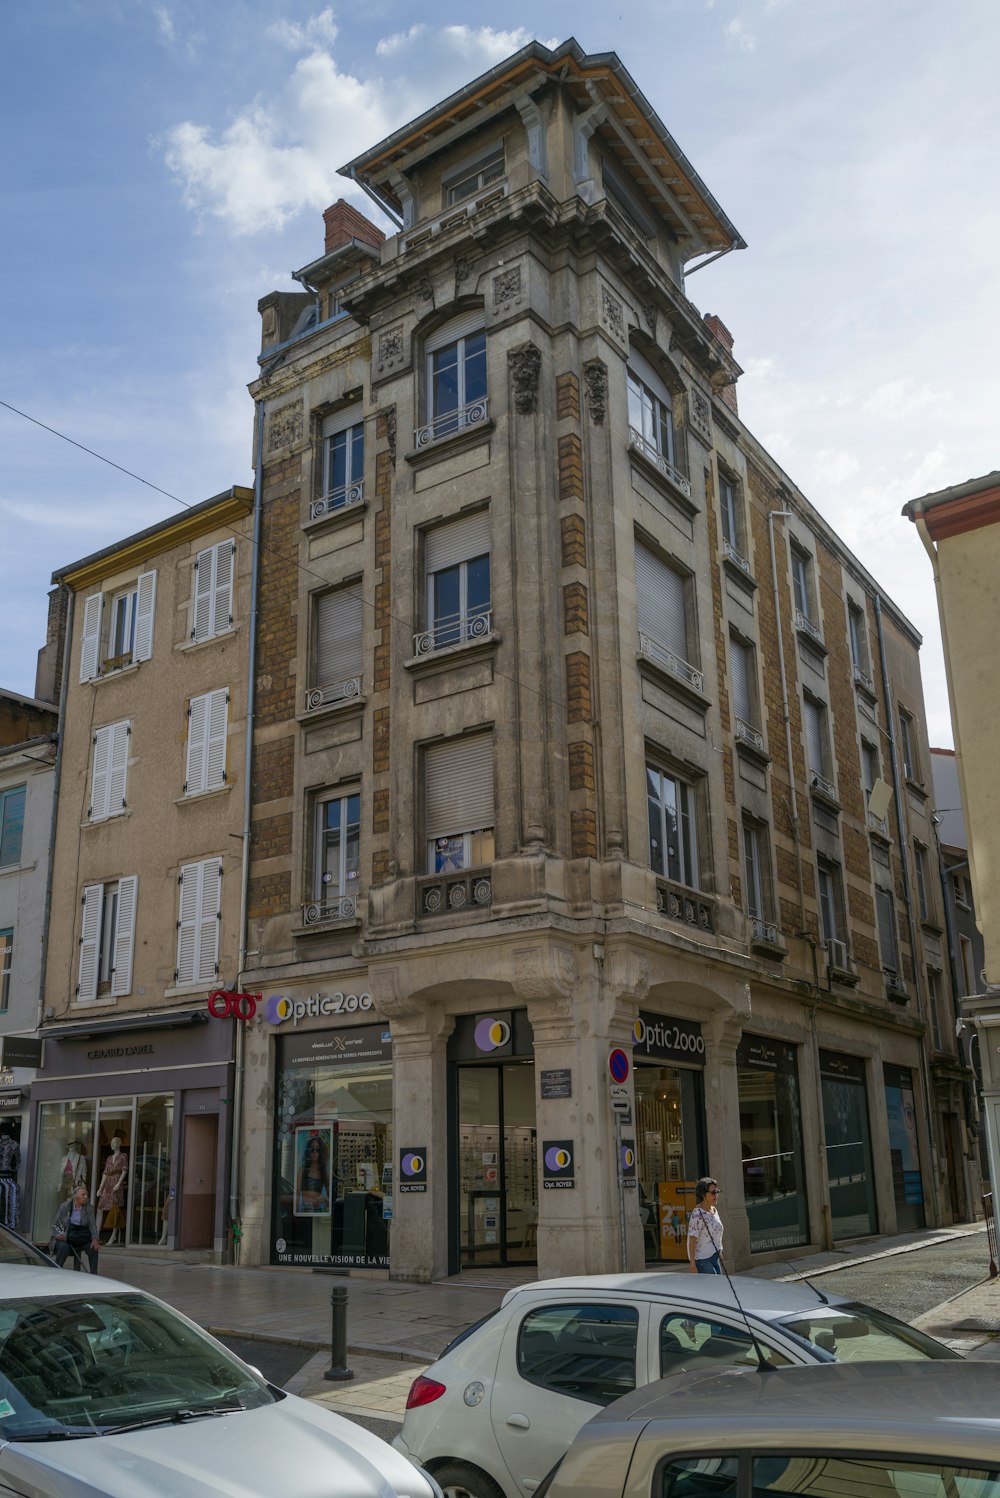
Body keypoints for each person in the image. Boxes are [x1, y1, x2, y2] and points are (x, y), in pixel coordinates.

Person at [52, 1185, 100, 1273]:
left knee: (93, 1248)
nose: (86, 1197)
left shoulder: (89, 1208)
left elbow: (92, 1225)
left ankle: (94, 1275)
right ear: (75, 1197)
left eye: (87, 1195)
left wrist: (94, 1239)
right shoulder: (65, 1206)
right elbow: (55, 1223)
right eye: (83, 1194)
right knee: (63, 1247)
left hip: (81, 1237)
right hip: (66, 1237)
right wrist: (58, 1235)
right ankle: (56, 1271)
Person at [687, 1176, 724, 1274]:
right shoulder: (697, 1214)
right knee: (713, 1287)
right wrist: (692, 1265)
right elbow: (692, 1240)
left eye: (717, 1192)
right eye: (713, 1193)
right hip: (703, 1259)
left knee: (717, 1286)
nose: (716, 1195)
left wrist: (719, 1250)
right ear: (703, 1195)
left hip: (715, 1256)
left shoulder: (714, 1210)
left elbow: (717, 1233)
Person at [96, 1136, 128, 1244]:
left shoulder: (123, 1156)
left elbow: (124, 1170)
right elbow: (105, 1172)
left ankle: (113, 1235)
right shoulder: (109, 1158)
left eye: (114, 1143)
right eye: (111, 1143)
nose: (112, 1144)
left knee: (115, 1209)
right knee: (100, 1207)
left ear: (119, 1144)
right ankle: (96, 1234)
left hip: (116, 1183)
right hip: (108, 1184)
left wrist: (119, 1184)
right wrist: (100, 1188)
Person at [296, 1134, 330, 1214]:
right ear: (308, 1151)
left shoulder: (324, 1173)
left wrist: (324, 1199)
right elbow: (297, 1194)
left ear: (320, 1152)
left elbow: (329, 1200)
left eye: (317, 1150)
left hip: (319, 1210)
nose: (314, 1152)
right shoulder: (303, 1170)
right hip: (305, 1210)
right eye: (312, 1150)